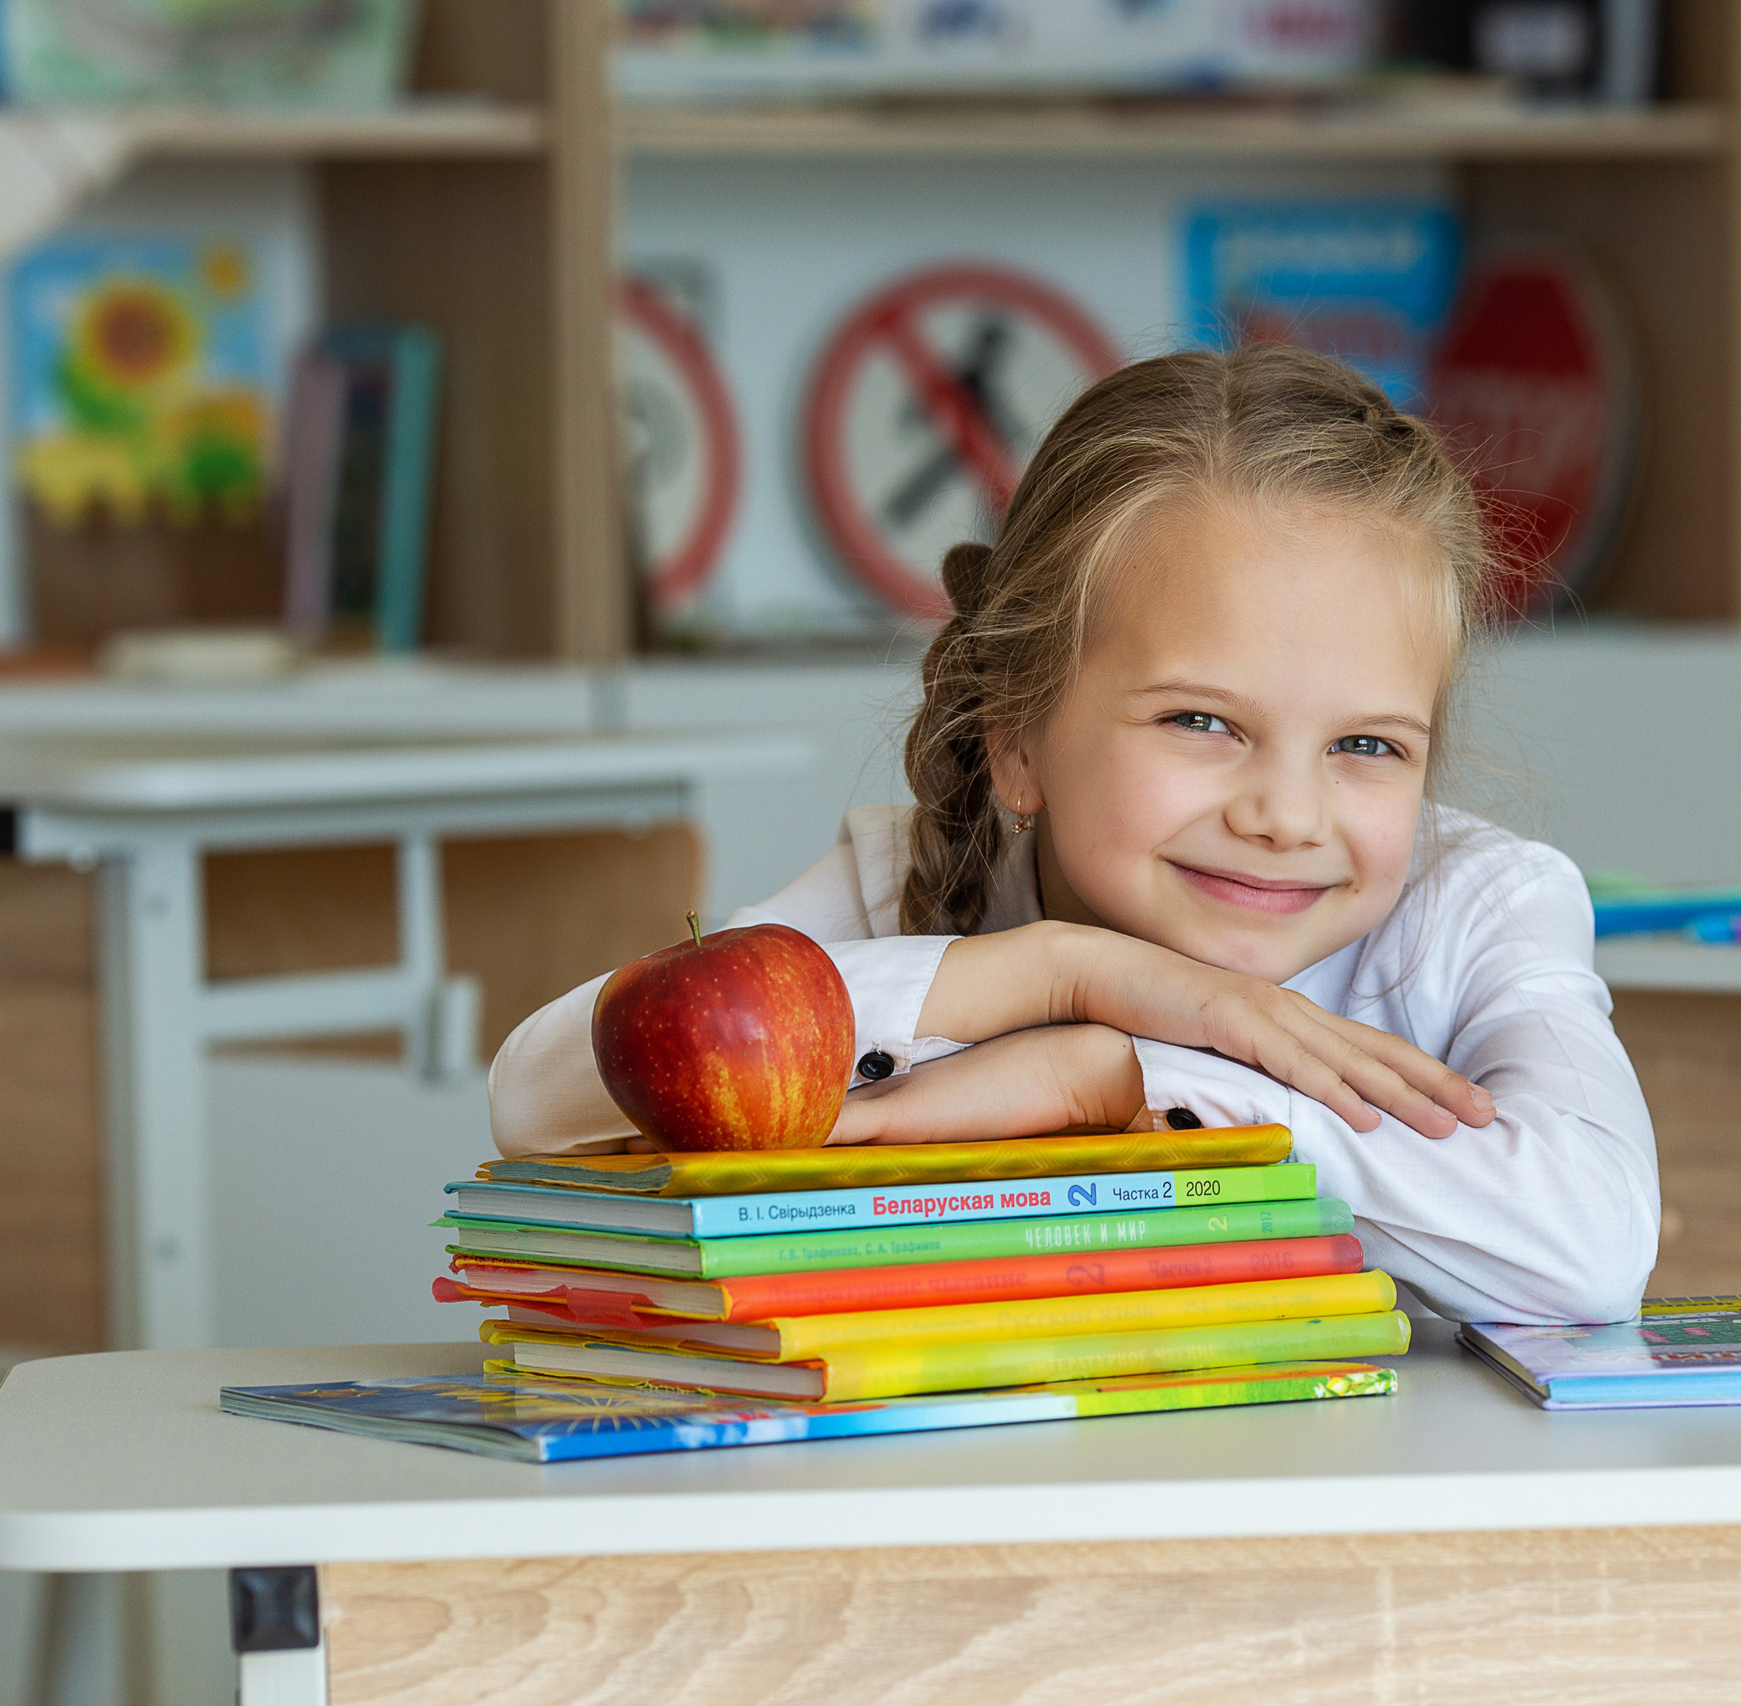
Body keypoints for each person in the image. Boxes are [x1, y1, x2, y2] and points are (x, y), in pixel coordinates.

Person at [490, 344, 1658, 1324]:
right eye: (1202, 720)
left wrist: (1121, 1069)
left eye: (1367, 747)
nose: (1286, 815)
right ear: (1018, 737)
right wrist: (1062, 972)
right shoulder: (913, 885)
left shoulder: (1477, 908)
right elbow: (538, 1096)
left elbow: (1594, 1247)